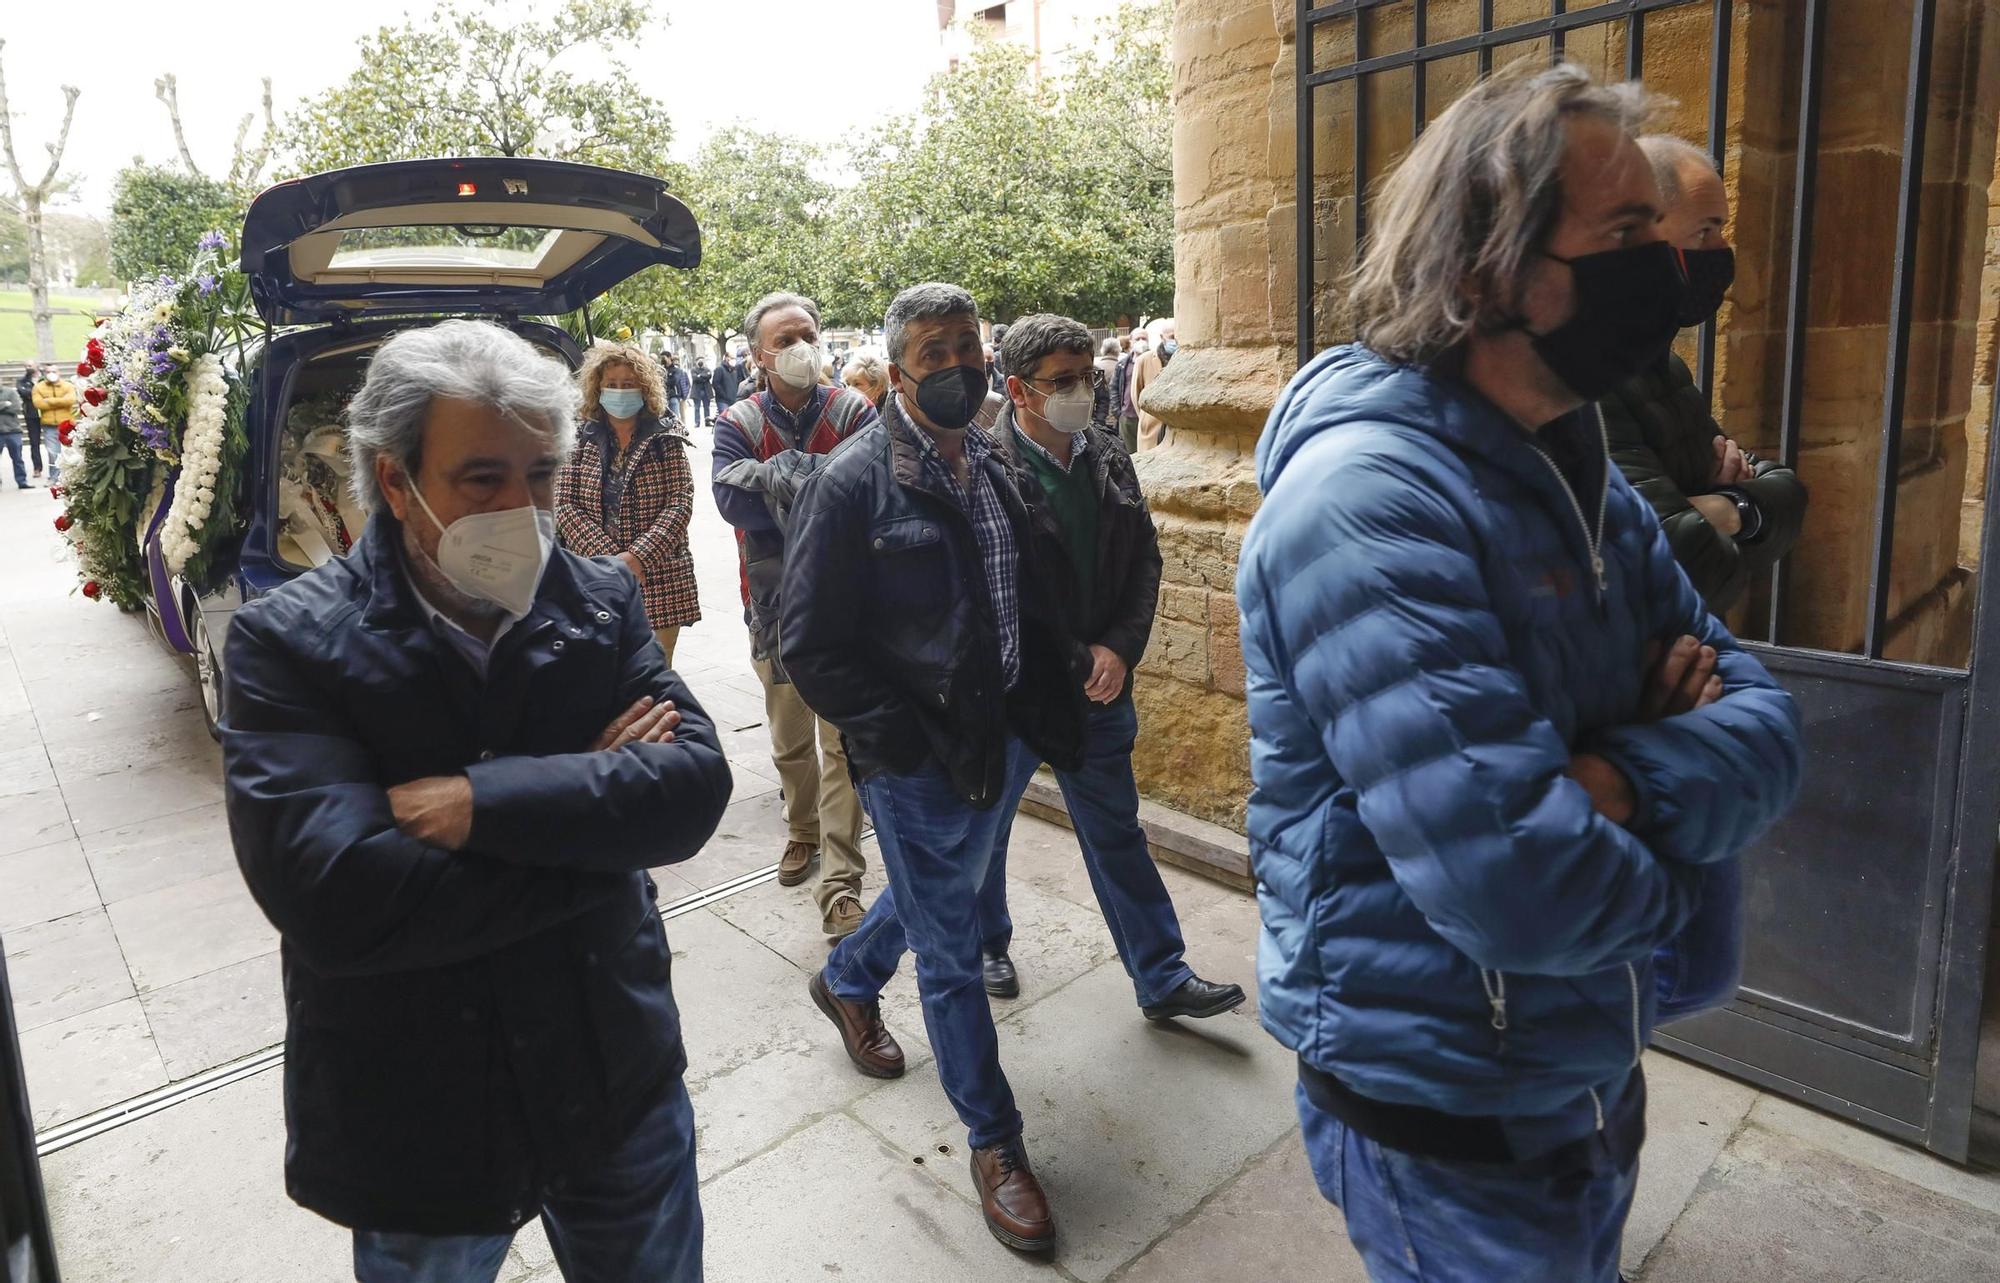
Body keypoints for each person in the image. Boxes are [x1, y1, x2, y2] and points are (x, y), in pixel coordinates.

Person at [1236, 65, 1803, 1282]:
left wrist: (1609, 779)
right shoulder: (1365, 509)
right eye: (1624, 234)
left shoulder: (1572, 465)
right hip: (1448, 1117)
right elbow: (1524, 890)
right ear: (1494, 266)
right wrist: (1651, 795)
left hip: (1578, 1070)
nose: (1659, 270)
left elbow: (1769, 726)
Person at [219, 319, 734, 1283]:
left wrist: (478, 802)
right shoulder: (288, 643)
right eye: (482, 479)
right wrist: (594, 822)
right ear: (394, 480)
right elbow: (335, 893)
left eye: (539, 475)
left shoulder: (596, 601)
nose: (521, 507)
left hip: (612, 1078)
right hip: (421, 1112)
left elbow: (693, 789)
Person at [786, 282, 1085, 1254]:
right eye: (931, 351)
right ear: (897, 368)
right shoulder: (851, 483)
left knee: (935, 894)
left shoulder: (992, 460)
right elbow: (809, 644)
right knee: (951, 947)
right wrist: (902, 738)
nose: (954, 365)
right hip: (917, 760)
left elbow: (1016, 592)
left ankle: (845, 977)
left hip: (997, 737)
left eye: (966, 345)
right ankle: (995, 1143)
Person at [977, 313, 1246, 1020]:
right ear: (1018, 389)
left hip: (1099, 687)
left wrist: (1120, 649)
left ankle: (1160, 975)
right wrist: (1076, 655)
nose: (1079, 393)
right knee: (986, 829)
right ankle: (986, 941)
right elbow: (1005, 591)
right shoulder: (986, 470)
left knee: (1117, 831)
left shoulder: (1107, 454)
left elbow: (1144, 561)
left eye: (1086, 378)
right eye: (1060, 382)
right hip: (1019, 690)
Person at [711, 292, 879, 938]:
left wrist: (776, 475)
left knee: (841, 743)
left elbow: (867, 492)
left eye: (807, 333)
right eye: (784, 339)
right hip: (774, 607)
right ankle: (802, 831)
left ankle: (841, 882)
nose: (799, 347)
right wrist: (820, 481)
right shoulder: (737, 420)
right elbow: (734, 503)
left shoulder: (853, 409)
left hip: (848, 605)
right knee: (790, 739)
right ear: (758, 354)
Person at [1606, 135, 1807, 615]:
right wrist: (1735, 507)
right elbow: (1674, 561)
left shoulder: (1659, 361)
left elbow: (1786, 488)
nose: (1722, 250)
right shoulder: (1586, 378)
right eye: (1705, 231)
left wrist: (1722, 505)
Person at [554, 342, 702, 665]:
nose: (620, 392)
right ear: (598, 389)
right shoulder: (578, 439)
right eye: (612, 385)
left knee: (654, 671)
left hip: (658, 578)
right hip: (595, 578)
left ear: (644, 389)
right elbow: (564, 504)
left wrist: (637, 557)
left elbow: (680, 501)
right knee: (602, 671)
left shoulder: (667, 437)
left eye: (629, 384)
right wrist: (613, 561)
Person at [1131, 319, 1176, 449]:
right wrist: (1146, 419)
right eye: (1172, 337)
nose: (1176, 341)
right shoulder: (1144, 360)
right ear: (1162, 337)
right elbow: (1136, 396)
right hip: (1151, 432)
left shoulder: (1185, 358)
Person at [32, 366, 74, 483]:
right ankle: (54, 478)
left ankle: (70, 477)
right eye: (48, 372)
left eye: (54, 371)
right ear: (44, 374)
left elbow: (70, 400)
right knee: (52, 453)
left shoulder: (68, 386)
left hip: (66, 425)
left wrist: (48, 400)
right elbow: (38, 404)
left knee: (70, 452)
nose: (51, 373)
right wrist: (61, 401)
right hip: (49, 425)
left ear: (59, 372)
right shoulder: (38, 387)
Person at [1113, 332, 1148, 454]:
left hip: (1147, 417)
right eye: (1137, 338)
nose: (1141, 341)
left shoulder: (1155, 361)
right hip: (1127, 416)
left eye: (1144, 338)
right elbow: (1114, 388)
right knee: (1130, 454)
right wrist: (1118, 412)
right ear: (1131, 341)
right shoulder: (1123, 364)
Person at [14, 365, 41, 478]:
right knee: (34, 443)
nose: (29, 367)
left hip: (47, 412)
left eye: (31, 365)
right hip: (31, 414)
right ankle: (37, 467)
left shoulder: (45, 378)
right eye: (27, 365)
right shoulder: (22, 381)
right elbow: (24, 393)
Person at [0, 382, 27, 490]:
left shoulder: (10, 392)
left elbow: (16, 407)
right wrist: (5, 404)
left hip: (13, 430)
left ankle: (22, 481)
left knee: (17, 458)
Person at [1092, 336, 1122, 430]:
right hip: (1116, 418)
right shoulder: (1121, 368)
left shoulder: (1095, 369)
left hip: (1097, 419)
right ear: (1118, 350)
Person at [692, 360, 714, 427]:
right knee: (697, 408)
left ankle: (707, 421)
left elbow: (709, 376)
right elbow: (695, 378)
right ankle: (697, 422)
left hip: (706, 391)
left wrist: (700, 375)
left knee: (706, 407)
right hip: (697, 391)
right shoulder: (693, 369)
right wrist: (704, 377)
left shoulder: (707, 369)